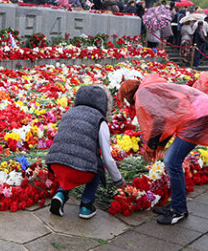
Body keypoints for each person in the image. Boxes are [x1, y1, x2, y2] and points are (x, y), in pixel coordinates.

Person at [117, 76, 208, 224]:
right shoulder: (149, 88)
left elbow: (160, 120)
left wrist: (151, 147)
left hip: (196, 117)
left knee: (172, 162)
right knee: (172, 160)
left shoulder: (142, 94)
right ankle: (176, 205)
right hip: (197, 111)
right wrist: (157, 145)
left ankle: (179, 210)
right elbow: (167, 120)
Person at [46, 85, 125, 219]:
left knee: (70, 160)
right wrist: (118, 181)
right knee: (97, 166)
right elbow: (107, 157)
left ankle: (60, 195)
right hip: (81, 171)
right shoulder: (100, 120)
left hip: (56, 165)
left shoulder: (69, 113)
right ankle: (86, 205)